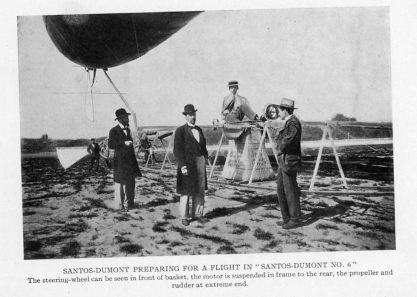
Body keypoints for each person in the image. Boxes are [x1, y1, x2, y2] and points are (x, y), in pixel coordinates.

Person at [173, 104, 208, 226]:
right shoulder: (180, 131)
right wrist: (182, 165)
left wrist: (206, 157)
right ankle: (184, 216)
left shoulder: (199, 130)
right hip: (187, 164)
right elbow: (177, 150)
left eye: (194, 114)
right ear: (186, 116)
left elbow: (203, 147)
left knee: (199, 190)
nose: (193, 117)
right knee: (186, 191)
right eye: (190, 115)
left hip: (199, 163)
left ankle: (198, 214)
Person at [274, 98, 302, 229]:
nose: (278, 112)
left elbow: (287, 140)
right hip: (283, 160)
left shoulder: (293, 123)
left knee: (290, 190)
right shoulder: (287, 122)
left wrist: (279, 147)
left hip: (289, 160)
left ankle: (295, 219)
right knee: (280, 190)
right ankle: (286, 218)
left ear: (286, 110)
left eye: (280, 110)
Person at [108, 108, 142, 211]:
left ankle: (130, 204)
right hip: (120, 162)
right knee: (120, 183)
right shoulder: (113, 130)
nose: (127, 119)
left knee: (131, 182)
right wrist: (124, 143)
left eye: (127, 117)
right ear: (120, 119)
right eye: (125, 117)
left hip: (130, 162)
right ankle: (119, 206)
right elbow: (111, 144)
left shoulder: (128, 130)